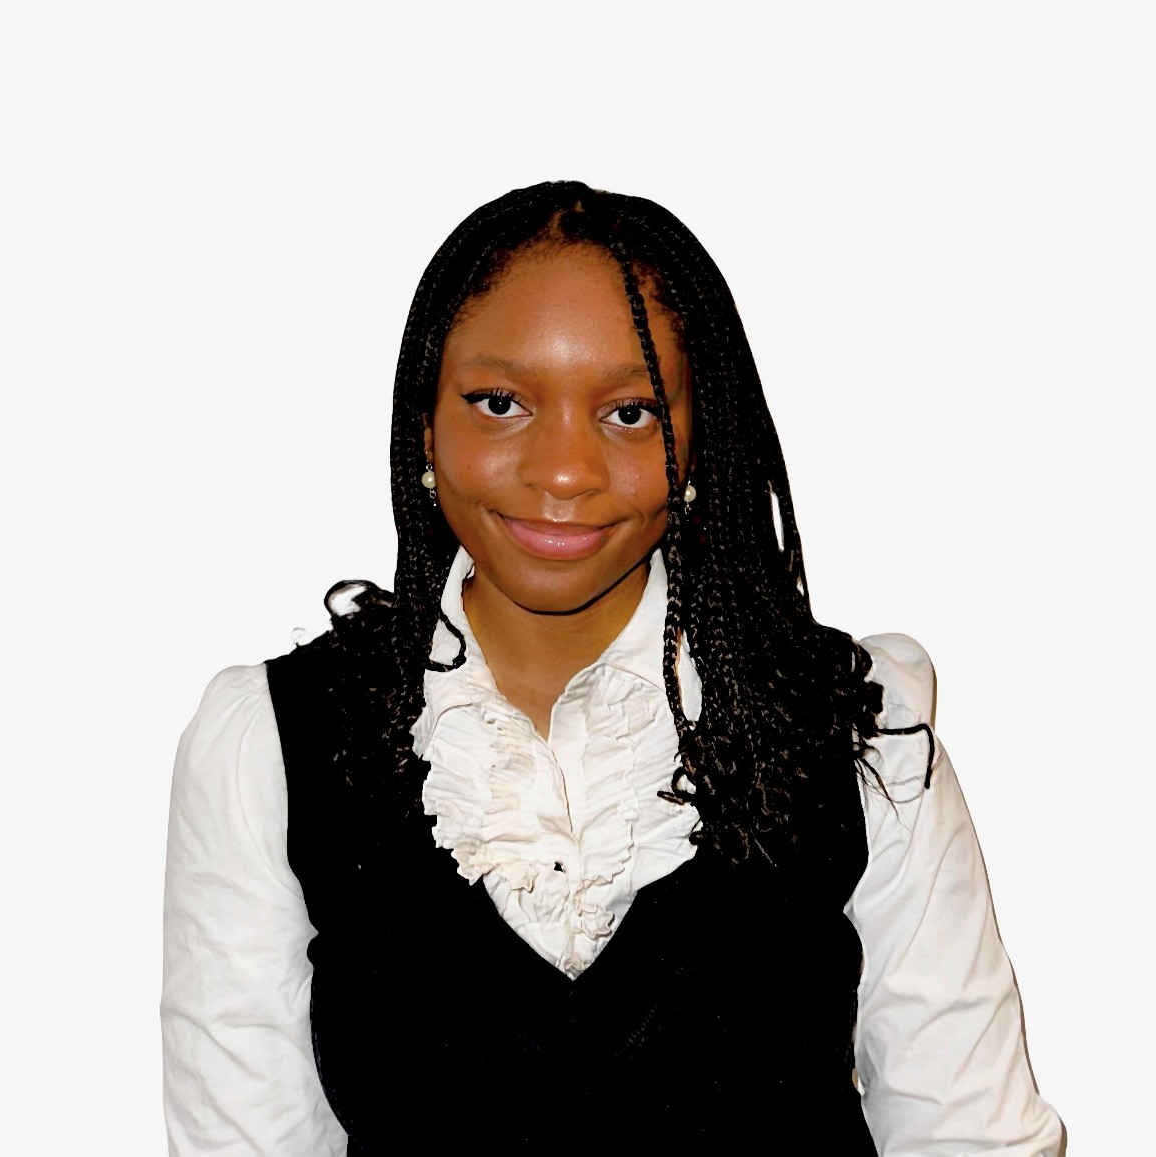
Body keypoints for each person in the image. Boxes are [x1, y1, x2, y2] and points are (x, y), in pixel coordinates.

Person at [161, 181, 1063, 1154]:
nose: (563, 470)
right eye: (499, 403)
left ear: (697, 437)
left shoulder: (858, 732)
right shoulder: (272, 744)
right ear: (424, 420)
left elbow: (972, 1134)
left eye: (629, 413)